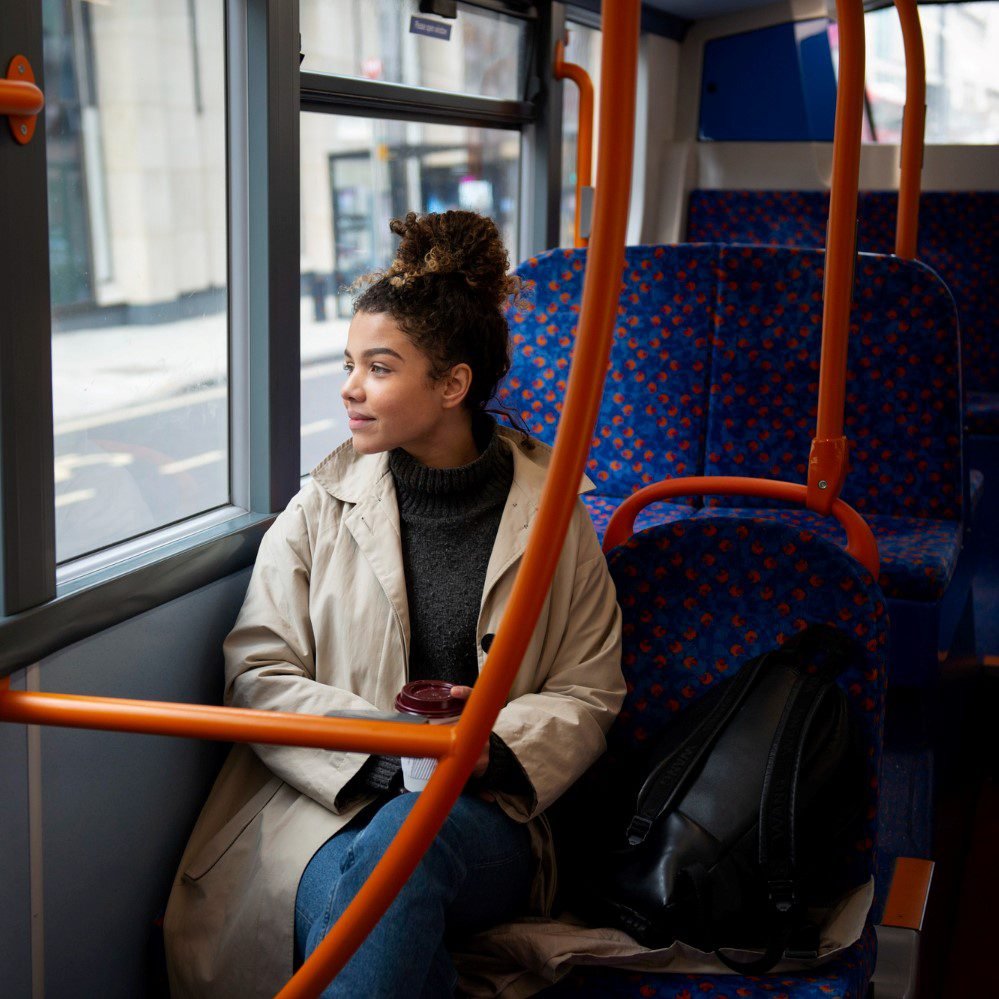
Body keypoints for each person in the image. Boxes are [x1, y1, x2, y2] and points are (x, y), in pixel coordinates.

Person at [163, 210, 624, 998]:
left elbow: (588, 687)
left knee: (406, 848)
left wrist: (482, 750)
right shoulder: (319, 505)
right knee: (377, 905)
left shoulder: (553, 518)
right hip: (323, 808)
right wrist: (379, 757)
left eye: (378, 367)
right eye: (350, 363)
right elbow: (259, 669)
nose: (349, 388)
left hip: (484, 817)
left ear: (452, 385)